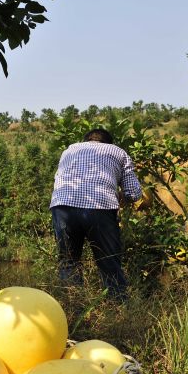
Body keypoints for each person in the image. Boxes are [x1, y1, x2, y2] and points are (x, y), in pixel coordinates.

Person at [49, 128, 142, 300]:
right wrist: (120, 195)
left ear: (86, 140)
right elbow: (134, 193)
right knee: (109, 261)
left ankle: (71, 307)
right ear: (109, 143)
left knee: (68, 262)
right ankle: (118, 307)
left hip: (62, 206)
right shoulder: (118, 152)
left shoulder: (69, 150)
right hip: (100, 206)